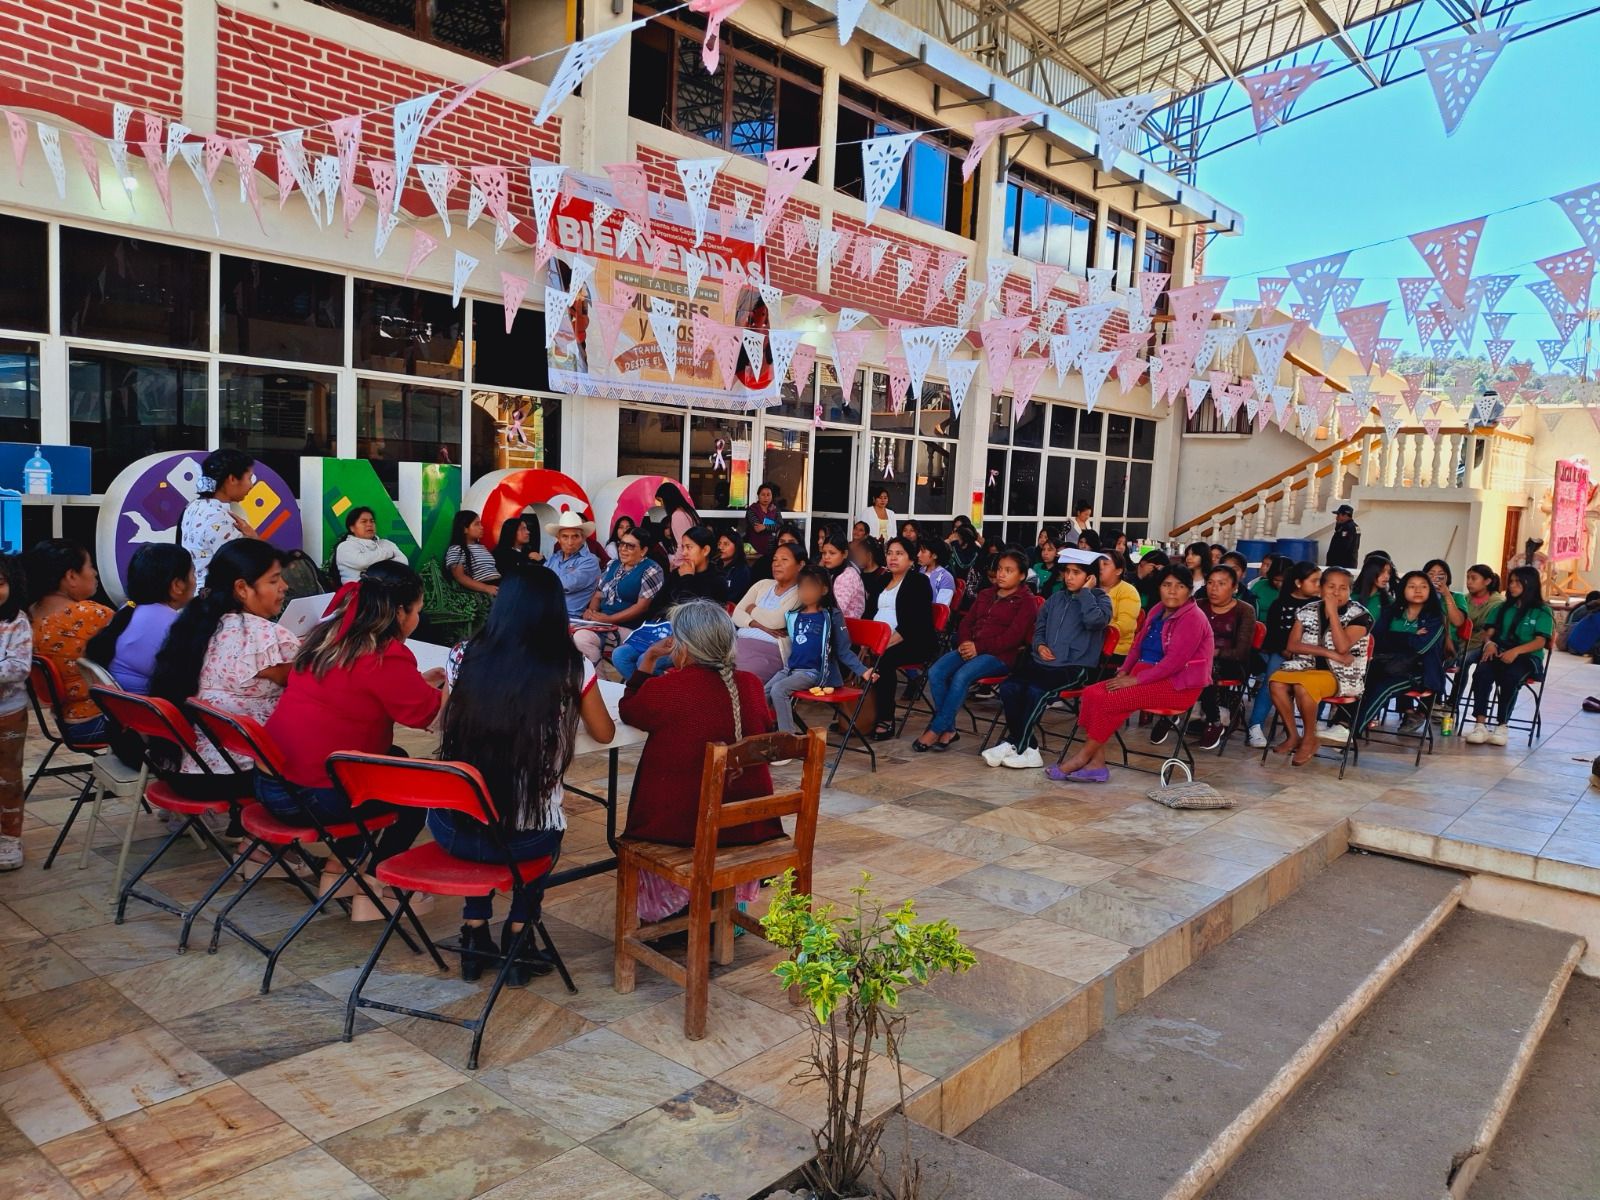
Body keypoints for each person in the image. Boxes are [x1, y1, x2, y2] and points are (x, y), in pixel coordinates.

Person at [438, 568, 614, 984]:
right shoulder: (571, 665)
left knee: (478, 806)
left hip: (453, 831)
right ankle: (519, 933)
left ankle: (474, 929)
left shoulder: (463, 654)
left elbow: (445, 720)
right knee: (546, 821)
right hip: (527, 839)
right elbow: (604, 732)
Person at [261, 563, 446, 919]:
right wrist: (452, 685)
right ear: (400, 612)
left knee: (393, 757)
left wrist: (416, 682)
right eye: (418, 612)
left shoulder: (327, 636)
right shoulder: (384, 655)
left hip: (272, 783)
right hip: (312, 797)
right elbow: (431, 717)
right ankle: (379, 886)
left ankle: (339, 871)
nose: (417, 620)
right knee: (417, 791)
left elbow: (355, 692)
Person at [619, 601, 782, 922]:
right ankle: (714, 910)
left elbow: (630, 709)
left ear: (683, 647)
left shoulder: (668, 688)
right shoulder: (750, 685)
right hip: (748, 827)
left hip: (681, 831)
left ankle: (675, 911)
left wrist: (649, 659)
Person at [149, 540, 300, 781]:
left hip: (185, 768)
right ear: (242, 588)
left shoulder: (199, 625)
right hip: (239, 770)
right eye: (273, 580)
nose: (284, 586)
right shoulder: (265, 635)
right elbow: (308, 686)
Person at [1046, 567, 1214, 784]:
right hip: (1146, 675)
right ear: (1159, 588)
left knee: (1111, 699)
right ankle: (1097, 764)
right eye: (1166, 585)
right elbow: (1137, 646)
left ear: (1190, 591)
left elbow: (1173, 663)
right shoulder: (1157, 610)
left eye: (1180, 586)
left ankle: (1082, 757)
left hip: (1177, 685)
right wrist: (1125, 670)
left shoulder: (1193, 618)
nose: (1172, 591)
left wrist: (1135, 680)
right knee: (1091, 693)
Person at [987, 557, 1110, 770]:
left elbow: (1094, 621)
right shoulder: (1056, 598)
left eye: (1076, 573)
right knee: (1009, 686)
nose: (1069, 577)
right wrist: (1040, 645)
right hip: (1043, 661)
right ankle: (1029, 748)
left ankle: (1014, 743)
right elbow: (1039, 627)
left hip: (1074, 667)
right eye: (1067, 572)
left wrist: (1085, 593)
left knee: (1036, 692)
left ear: (1090, 577)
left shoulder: (1101, 600)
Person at [911, 548, 1034, 753]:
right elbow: (966, 622)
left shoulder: (1026, 602)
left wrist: (979, 647)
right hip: (970, 647)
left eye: (1009, 570)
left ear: (1022, 575)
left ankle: (936, 728)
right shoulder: (986, 594)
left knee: (961, 676)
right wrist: (966, 641)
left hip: (1000, 655)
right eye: (1000, 569)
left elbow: (1013, 637)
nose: (1002, 574)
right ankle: (949, 729)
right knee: (936, 672)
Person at [1266, 567, 1372, 765]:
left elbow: (1342, 647)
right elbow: (1292, 645)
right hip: (1304, 666)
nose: (1336, 592)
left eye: (1343, 588)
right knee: (1276, 682)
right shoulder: (1307, 611)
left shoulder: (1360, 615)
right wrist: (1327, 652)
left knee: (1302, 686)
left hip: (1341, 674)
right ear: (1321, 589)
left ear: (1350, 591)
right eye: (1331, 586)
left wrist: (1332, 614)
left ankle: (1309, 738)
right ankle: (1292, 735)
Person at [765, 566, 877, 737]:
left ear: (824, 590)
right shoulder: (794, 614)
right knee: (762, 692)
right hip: (790, 669)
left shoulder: (831, 616)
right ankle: (763, 731)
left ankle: (787, 739)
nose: (805, 592)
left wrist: (863, 671)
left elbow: (843, 650)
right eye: (802, 587)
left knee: (779, 690)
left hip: (813, 672)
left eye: (811, 587)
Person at [28, 539, 115, 741]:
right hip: (97, 720)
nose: (94, 573)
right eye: (90, 566)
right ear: (71, 576)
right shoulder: (92, 614)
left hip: (64, 721)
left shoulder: (29, 614)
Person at [614, 526, 723, 678]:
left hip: (689, 640)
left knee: (644, 661)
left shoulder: (716, 580)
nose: (683, 552)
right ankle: (643, 694)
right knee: (620, 655)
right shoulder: (677, 574)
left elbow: (694, 615)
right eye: (682, 547)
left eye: (689, 547)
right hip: (661, 632)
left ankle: (657, 695)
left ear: (705, 550)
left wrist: (687, 579)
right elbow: (657, 604)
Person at [85, 544, 194, 695]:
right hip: (152, 714)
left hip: (122, 712)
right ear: (177, 585)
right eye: (193, 574)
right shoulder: (175, 624)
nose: (195, 581)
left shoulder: (128, 610)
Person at [1464, 566, 1554, 746]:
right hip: (1500, 651)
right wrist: (1489, 643)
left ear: (1531, 585)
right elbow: (1488, 632)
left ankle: (1502, 725)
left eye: (1518, 582)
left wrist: (1516, 651)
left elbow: (1540, 642)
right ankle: (1480, 725)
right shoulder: (1502, 607)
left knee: (1510, 676)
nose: (1512, 586)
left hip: (1527, 656)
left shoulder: (1542, 610)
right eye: (1511, 582)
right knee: (1482, 672)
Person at [1352, 570, 1447, 736]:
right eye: (1412, 586)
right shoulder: (1392, 612)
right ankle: (1341, 723)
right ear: (1403, 590)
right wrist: (1409, 636)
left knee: (1384, 687)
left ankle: (1352, 731)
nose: (1418, 590)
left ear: (1430, 591)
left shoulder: (1435, 617)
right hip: (1386, 664)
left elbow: (1421, 647)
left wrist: (1394, 639)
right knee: (1359, 680)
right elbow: (1377, 639)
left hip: (1418, 671)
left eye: (1423, 586)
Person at [1245, 561, 1323, 747]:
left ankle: (1310, 730)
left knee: (1316, 686)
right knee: (1270, 683)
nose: (1319, 585)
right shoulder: (1280, 604)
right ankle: (1255, 727)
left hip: (1312, 656)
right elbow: (1274, 634)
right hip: (1283, 653)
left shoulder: (1320, 606)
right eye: (1314, 581)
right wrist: (1286, 650)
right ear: (1298, 582)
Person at [866, 538, 936, 741]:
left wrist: (883, 644)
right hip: (879, 640)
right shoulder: (881, 580)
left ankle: (886, 719)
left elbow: (913, 623)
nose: (893, 557)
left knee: (884, 659)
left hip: (913, 641)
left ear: (911, 559)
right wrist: (865, 641)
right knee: (849, 652)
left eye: (899, 553)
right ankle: (853, 714)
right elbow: (869, 614)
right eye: (890, 553)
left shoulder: (919, 582)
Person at [573, 524, 665, 664]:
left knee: (581, 639)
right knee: (567, 636)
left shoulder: (652, 569)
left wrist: (609, 619)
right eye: (621, 544)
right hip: (602, 624)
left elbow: (642, 607)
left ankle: (599, 681)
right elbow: (599, 594)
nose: (623, 549)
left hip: (631, 629)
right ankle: (599, 680)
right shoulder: (612, 564)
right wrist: (591, 613)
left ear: (643, 550)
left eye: (630, 546)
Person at [1192, 565, 1255, 751]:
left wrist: (1214, 652)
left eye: (1221, 584)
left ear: (1235, 587)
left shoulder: (1245, 610)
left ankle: (1214, 721)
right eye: (1210, 583)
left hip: (1230, 662)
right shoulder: (1198, 605)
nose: (1214, 588)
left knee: (1206, 668)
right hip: (1195, 660)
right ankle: (1173, 714)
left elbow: (1241, 651)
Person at [181, 449, 261, 590]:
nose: (251, 485)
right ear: (232, 479)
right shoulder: (218, 517)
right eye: (249, 478)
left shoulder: (194, 506)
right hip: (215, 599)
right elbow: (243, 566)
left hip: (196, 594)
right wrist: (255, 539)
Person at [730, 542, 802, 682]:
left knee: (742, 680)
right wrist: (760, 625)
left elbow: (777, 621)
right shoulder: (762, 584)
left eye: (784, 560)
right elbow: (737, 614)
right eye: (775, 559)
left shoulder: (800, 592)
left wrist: (752, 609)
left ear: (800, 565)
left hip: (770, 650)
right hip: (738, 644)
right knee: (712, 675)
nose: (776, 564)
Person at [0, 556, 30, 871]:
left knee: (8, 777)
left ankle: (10, 837)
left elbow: (19, 667)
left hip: (8, 713)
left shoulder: (16, 622)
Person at [546, 511, 601, 619]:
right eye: (565, 537)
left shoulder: (590, 561)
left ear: (583, 538)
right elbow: (538, 579)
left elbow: (565, 584)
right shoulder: (555, 557)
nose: (570, 542)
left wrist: (543, 582)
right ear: (558, 538)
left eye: (575, 536)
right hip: (546, 614)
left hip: (568, 619)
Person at [334, 507, 407, 584]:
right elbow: (363, 562)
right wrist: (389, 553)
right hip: (358, 592)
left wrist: (374, 564)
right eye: (364, 521)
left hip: (388, 590)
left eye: (372, 521)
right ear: (352, 528)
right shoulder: (345, 546)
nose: (369, 524)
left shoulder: (386, 543)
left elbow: (403, 562)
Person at [444, 510, 501, 598]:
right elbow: (460, 577)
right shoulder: (456, 549)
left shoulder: (482, 547)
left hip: (499, 584)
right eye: (477, 524)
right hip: (485, 588)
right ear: (465, 529)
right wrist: (486, 588)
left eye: (481, 524)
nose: (481, 527)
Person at [1097, 550, 1141, 656]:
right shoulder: (1090, 588)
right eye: (1098, 564)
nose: (1100, 567)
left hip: (1116, 648)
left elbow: (1125, 625)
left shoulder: (1128, 591)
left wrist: (1095, 633)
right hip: (1091, 645)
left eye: (1105, 564)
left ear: (1118, 571)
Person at [818, 533, 866, 619]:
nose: (826, 557)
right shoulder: (832, 572)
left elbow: (835, 610)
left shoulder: (848, 575)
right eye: (824, 553)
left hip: (847, 628)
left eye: (832, 553)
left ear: (845, 554)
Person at [1423, 558, 1468, 644]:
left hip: (1446, 643)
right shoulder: (1420, 596)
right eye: (1431, 574)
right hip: (1423, 639)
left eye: (1440, 575)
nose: (1435, 578)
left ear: (1447, 578)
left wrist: (1447, 595)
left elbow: (1458, 622)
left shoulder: (1457, 597)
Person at [655, 483, 701, 568]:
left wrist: (676, 563)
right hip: (695, 558)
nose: (661, 505)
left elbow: (682, 543)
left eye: (661, 501)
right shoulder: (687, 512)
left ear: (667, 499)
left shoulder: (678, 515)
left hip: (685, 563)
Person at [744, 483, 782, 558]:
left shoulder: (775, 509)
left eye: (768, 495)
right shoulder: (752, 510)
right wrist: (773, 525)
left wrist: (765, 527)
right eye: (763, 494)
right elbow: (758, 528)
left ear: (772, 496)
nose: (766, 497)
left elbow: (780, 526)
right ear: (758, 496)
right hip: (755, 550)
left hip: (773, 548)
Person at [850, 537, 889, 607]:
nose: (856, 557)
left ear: (869, 555)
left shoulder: (884, 575)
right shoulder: (856, 574)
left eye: (859, 553)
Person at [1353, 554, 1395, 620]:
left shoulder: (1389, 601)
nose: (1387, 576)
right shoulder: (1351, 597)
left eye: (1389, 572)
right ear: (1371, 572)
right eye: (1382, 571)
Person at [716, 530, 752, 604]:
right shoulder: (714, 566)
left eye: (726, 544)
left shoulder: (742, 570)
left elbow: (734, 597)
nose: (720, 547)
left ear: (737, 547)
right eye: (719, 544)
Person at [918, 538, 956, 607]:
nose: (918, 555)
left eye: (923, 552)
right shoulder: (920, 571)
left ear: (934, 555)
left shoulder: (946, 577)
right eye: (919, 551)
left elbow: (941, 608)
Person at [1326, 504, 1361, 568]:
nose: (1336, 518)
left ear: (1345, 515)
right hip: (1348, 564)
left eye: (1338, 515)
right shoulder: (1355, 527)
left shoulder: (1347, 528)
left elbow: (1342, 548)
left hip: (1341, 565)